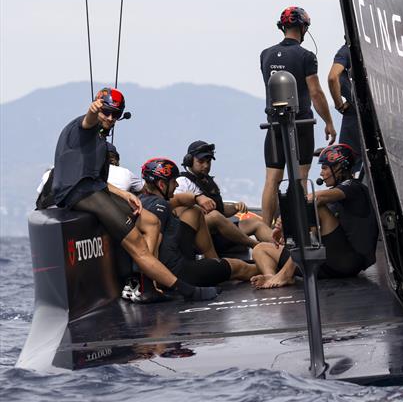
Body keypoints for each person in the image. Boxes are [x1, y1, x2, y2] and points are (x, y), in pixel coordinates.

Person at [50, 88, 216, 301]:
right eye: (106, 112)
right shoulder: (85, 128)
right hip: (78, 193)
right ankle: (188, 291)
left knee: (151, 222)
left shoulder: (100, 140)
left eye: (116, 114)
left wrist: (124, 194)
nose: (110, 118)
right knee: (136, 242)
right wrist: (93, 111)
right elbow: (88, 120)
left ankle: (146, 286)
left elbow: (98, 181)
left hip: (95, 189)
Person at [251, 144, 378, 288]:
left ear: (339, 167)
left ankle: (286, 273)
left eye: (324, 168)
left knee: (316, 206)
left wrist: (283, 222)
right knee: (260, 249)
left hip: (347, 261)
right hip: (327, 263)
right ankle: (271, 275)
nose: (321, 174)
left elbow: (313, 199)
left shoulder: (354, 186)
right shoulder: (336, 196)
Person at [260, 6, 336, 229]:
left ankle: (265, 231)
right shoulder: (306, 56)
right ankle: (302, 228)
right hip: (300, 124)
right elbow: (315, 92)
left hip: (274, 124)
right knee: (300, 179)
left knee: (272, 180)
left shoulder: (266, 54)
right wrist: (329, 122)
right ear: (303, 28)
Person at [140, 158, 266, 288]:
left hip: (174, 262)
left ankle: (215, 262)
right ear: (161, 185)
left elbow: (178, 199)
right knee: (239, 267)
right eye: (173, 182)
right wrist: (153, 287)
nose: (177, 186)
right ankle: (271, 265)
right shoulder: (160, 207)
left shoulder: (144, 201)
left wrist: (197, 197)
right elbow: (150, 251)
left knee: (194, 212)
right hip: (178, 274)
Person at [175, 140, 271, 251]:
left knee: (256, 223)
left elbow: (220, 210)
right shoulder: (182, 182)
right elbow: (177, 211)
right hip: (197, 235)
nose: (206, 165)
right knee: (215, 216)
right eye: (201, 161)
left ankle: (281, 250)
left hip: (218, 233)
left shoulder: (209, 182)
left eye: (208, 161)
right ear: (189, 161)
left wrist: (235, 207)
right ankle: (255, 245)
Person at [327, 43, 363, 157]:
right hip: (384, 116)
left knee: (349, 164)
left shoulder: (346, 50)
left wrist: (339, 105)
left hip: (355, 115)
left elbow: (333, 77)